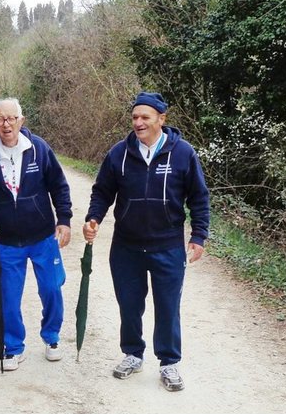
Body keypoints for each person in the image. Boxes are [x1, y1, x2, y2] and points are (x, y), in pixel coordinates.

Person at [82, 91, 209, 391]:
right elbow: (102, 191)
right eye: (135, 117)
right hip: (126, 247)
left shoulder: (183, 153)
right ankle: (132, 354)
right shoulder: (119, 153)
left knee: (168, 307)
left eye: (145, 117)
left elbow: (199, 197)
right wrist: (93, 218)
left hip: (168, 246)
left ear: (161, 119)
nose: (138, 122)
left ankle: (169, 363)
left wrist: (199, 235)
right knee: (129, 304)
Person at [0, 98, 72, 371]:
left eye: (11, 118)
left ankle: (52, 338)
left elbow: (59, 186)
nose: (6, 124)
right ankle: (13, 347)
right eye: (0, 119)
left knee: (52, 288)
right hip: (6, 241)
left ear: (21, 120)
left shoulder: (39, 149)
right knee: (9, 297)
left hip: (43, 237)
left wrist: (64, 220)